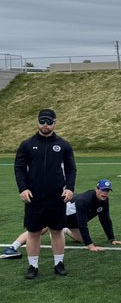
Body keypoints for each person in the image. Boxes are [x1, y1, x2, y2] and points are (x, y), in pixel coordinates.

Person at [13, 108, 77, 280]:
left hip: (57, 196)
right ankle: (33, 266)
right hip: (33, 197)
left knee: (57, 231)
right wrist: (23, 189)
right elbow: (19, 169)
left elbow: (71, 169)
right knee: (33, 232)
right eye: (43, 121)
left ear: (55, 123)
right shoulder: (27, 145)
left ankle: (59, 264)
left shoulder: (64, 145)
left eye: (49, 122)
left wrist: (70, 188)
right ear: (38, 122)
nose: (46, 125)